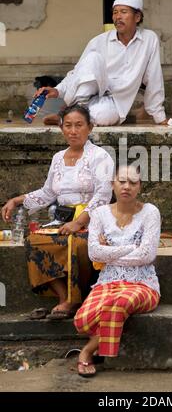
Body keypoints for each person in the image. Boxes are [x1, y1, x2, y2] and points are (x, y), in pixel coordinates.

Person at [1, 104, 114, 319]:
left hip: (93, 219)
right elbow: (47, 192)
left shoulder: (100, 157)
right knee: (34, 241)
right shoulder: (58, 158)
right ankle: (65, 297)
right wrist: (16, 200)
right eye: (68, 125)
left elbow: (102, 196)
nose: (73, 131)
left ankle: (77, 297)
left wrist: (79, 222)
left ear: (90, 127)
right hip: (62, 219)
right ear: (62, 129)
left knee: (78, 244)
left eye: (79, 125)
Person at [74, 164, 161, 377]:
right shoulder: (99, 214)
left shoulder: (150, 212)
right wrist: (131, 248)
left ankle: (87, 352)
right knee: (81, 320)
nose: (126, 187)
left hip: (143, 284)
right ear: (113, 184)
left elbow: (147, 256)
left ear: (139, 187)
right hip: (107, 282)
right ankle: (99, 341)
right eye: (122, 181)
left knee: (117, 304)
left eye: (133, 182)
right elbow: (94, 253)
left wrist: (110, 251)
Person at [35, 0, 167, 127]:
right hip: (88, 93)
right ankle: (76, 110)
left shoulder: (149, 39)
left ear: (137, 17)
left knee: (103, 117)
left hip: (116, 101)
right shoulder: (99, 41)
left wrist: (159, 117)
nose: (118, 17)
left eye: (123, 12)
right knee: (93, 58)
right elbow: (78, 72)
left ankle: (66, 117)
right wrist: (58, 90)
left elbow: (154, 78)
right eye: (115, 12)